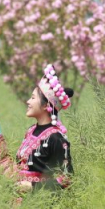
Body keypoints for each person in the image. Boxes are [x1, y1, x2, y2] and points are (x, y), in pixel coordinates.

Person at [15, 64, 74, 192]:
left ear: (45, 105)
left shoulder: (56, 138)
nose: (28, 102)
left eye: (32, 98)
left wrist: (33, 187)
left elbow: (66, 179)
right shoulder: (30, 131)